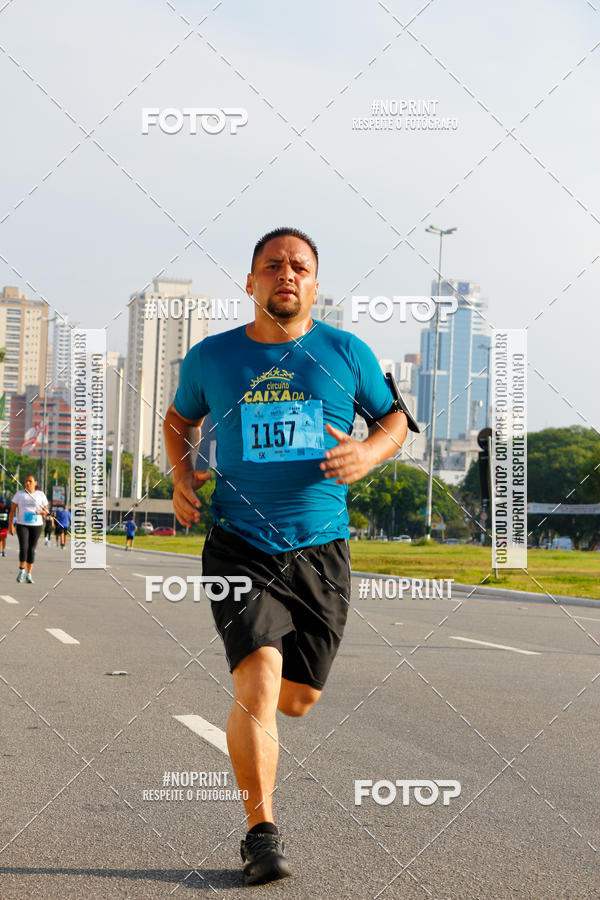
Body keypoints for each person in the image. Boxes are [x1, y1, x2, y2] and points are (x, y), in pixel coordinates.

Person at [164, 227, 407, 886]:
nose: (286, 274)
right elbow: (177, 421)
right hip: (238, 543)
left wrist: (368, 452)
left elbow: (394, 422)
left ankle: (264, 790)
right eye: (272, 265)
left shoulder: (345, 352)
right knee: (259, 683)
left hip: (321, 548)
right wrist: (183, 477)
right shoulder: (212, 358)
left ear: (315, 285)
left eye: (299, 266)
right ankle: (261, 834)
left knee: (296, 699)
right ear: (250, 282)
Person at [8, 475, 50, 583]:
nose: (28, 483)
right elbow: (12, 511)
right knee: (23, 547)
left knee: (31, 549)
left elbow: (47, 511)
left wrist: (40, 512)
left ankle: (29, 574)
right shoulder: (19, 494)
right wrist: (10, 525)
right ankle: (22, 570)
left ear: (35, 483)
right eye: (26, 481)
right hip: (22, 524)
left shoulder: (40, 494)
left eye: (30, 481)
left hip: (36, 525)